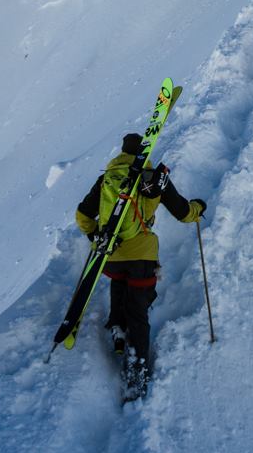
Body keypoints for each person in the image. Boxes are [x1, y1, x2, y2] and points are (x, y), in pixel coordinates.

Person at [74, 135, 207, 399]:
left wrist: (96, 238)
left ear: (122, 152)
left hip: (110, 256)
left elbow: (83, 216)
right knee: (138, 310)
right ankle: (137, 371)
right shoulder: (154, 179)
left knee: (119, 280)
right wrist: (198, 208)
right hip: (142, 257)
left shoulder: (107, 179)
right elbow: (183, 213)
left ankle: (117, 330)